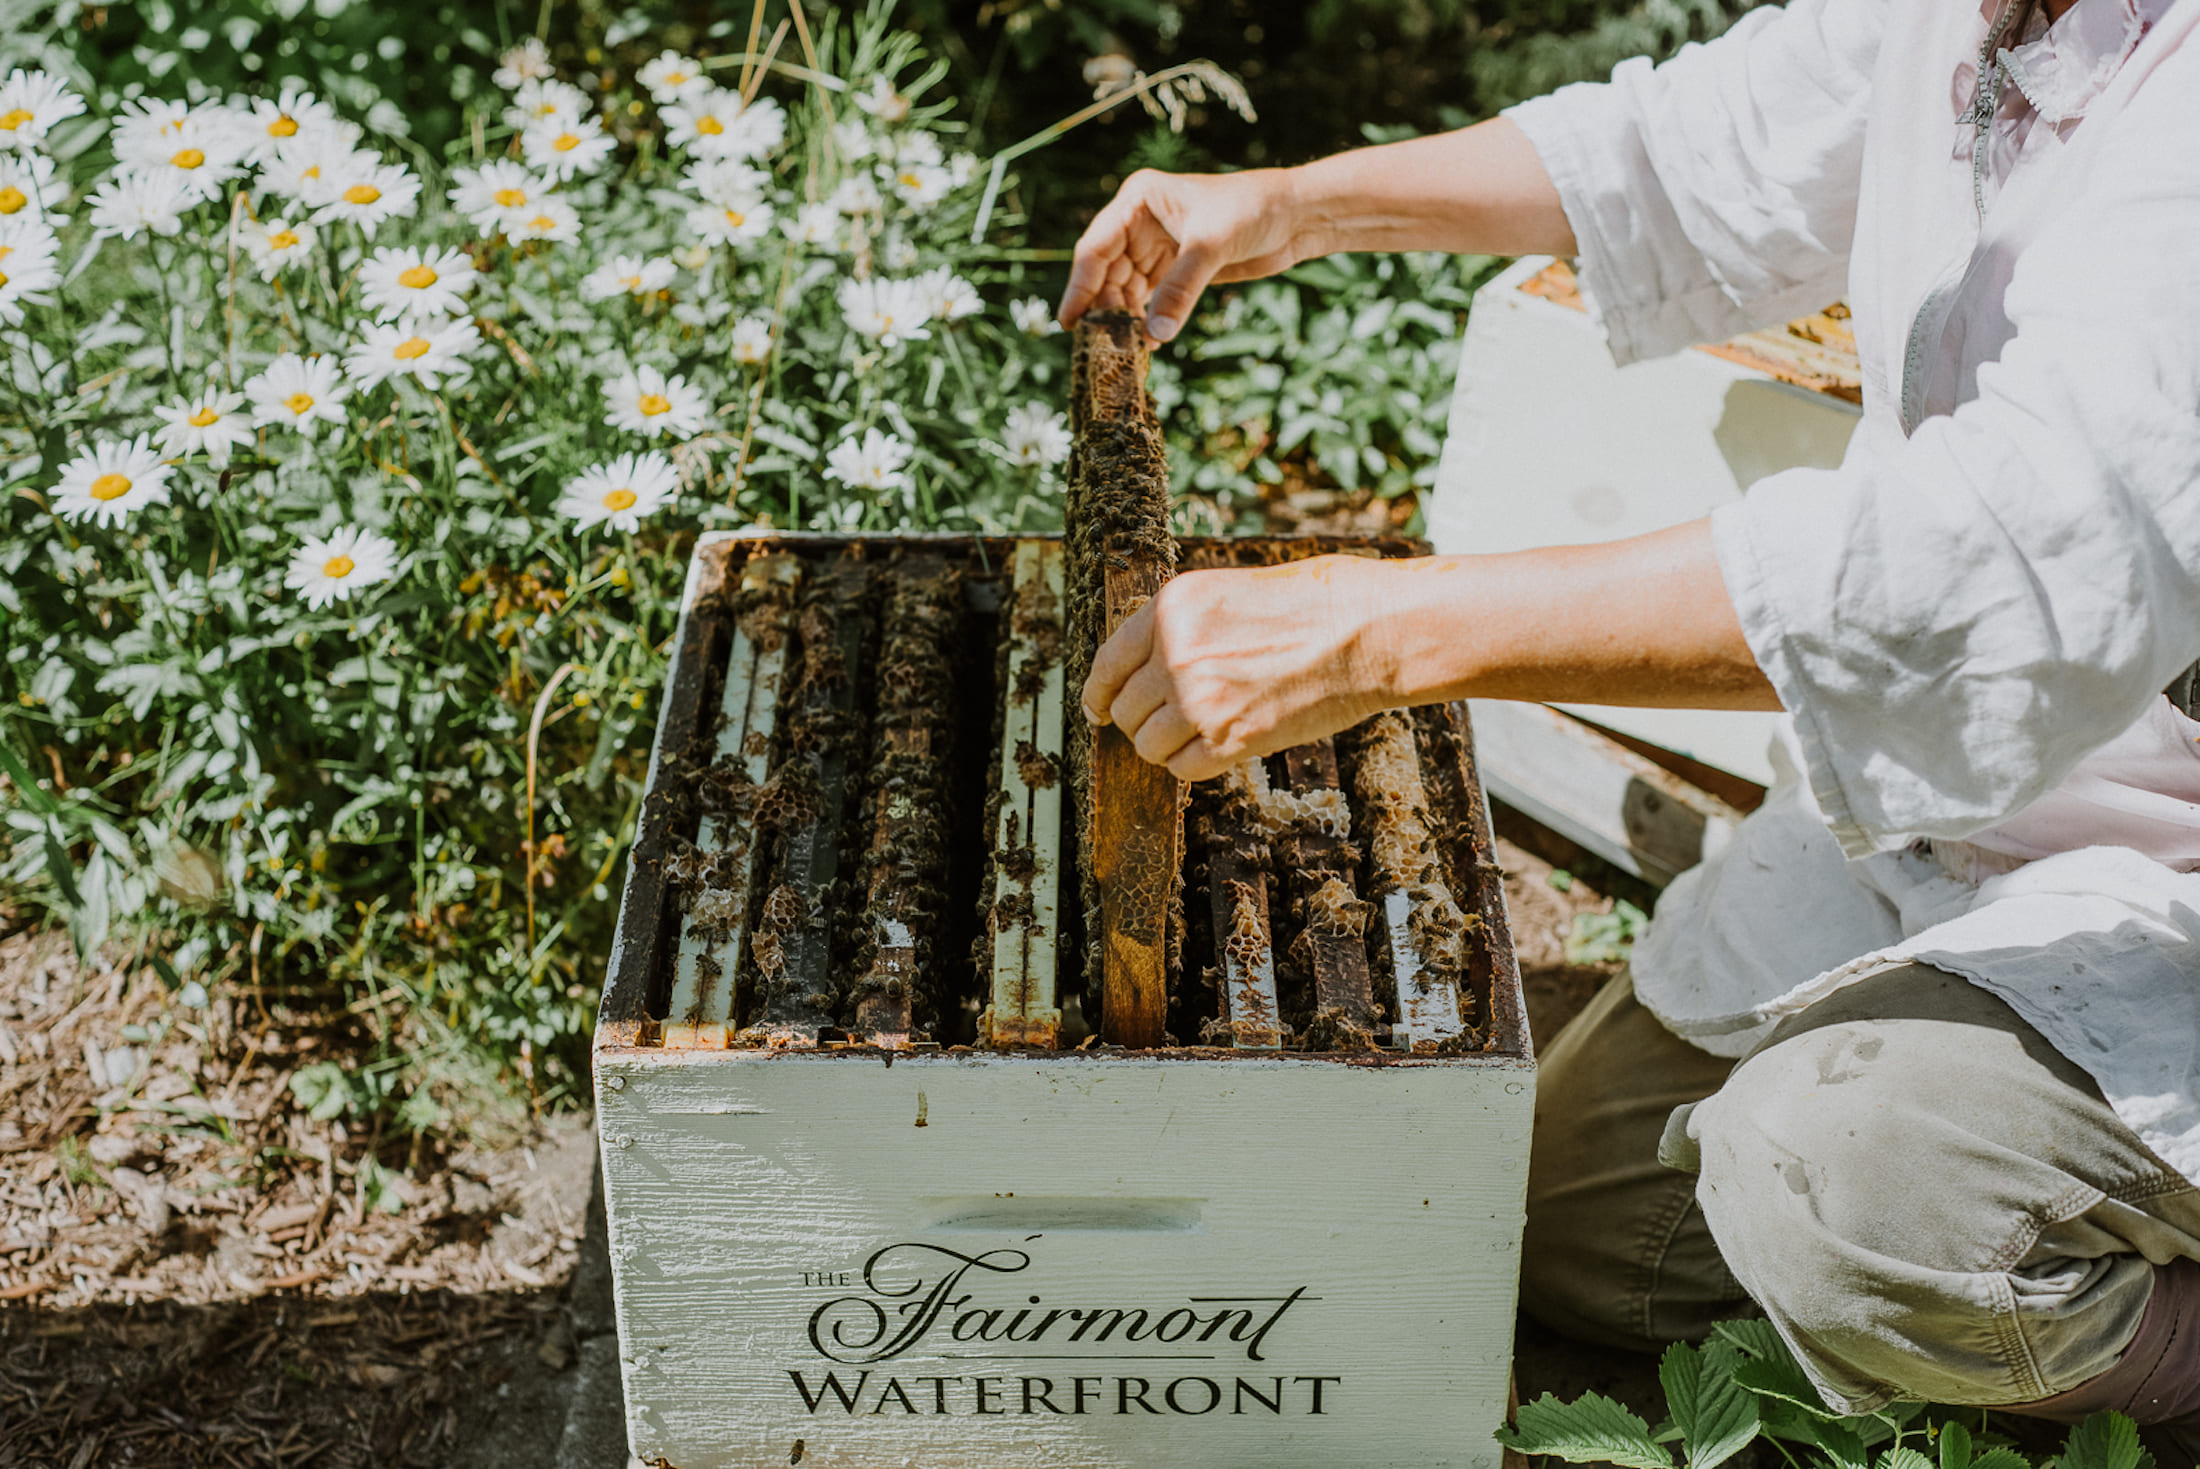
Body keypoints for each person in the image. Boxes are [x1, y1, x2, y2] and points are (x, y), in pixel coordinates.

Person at [1058, 0, 2200, 1455]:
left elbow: (2006, 563)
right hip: (1963, 826)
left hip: (2168, 882)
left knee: (1833, 1187)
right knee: (1567, 1218)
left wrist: (1388, 629)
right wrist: (1288, 204)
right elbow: (1690, 149)